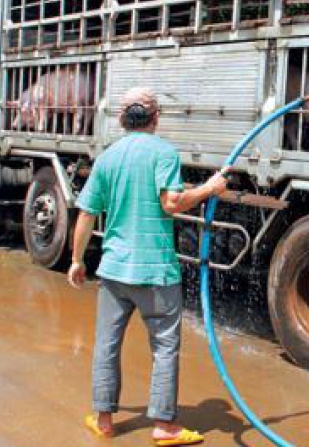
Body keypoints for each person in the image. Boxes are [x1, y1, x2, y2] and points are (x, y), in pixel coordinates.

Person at [68, 87, 229, 446]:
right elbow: (172, 203)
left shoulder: (107, 158)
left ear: (121, 118)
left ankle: (104, 420)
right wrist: (210, 188)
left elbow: (87, 213)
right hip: (156, 272)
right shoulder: (164, 153)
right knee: (165, 347)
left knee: (107, 344)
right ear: (156, 117)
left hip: (113, 271)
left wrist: (77, 260)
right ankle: (164, 426)